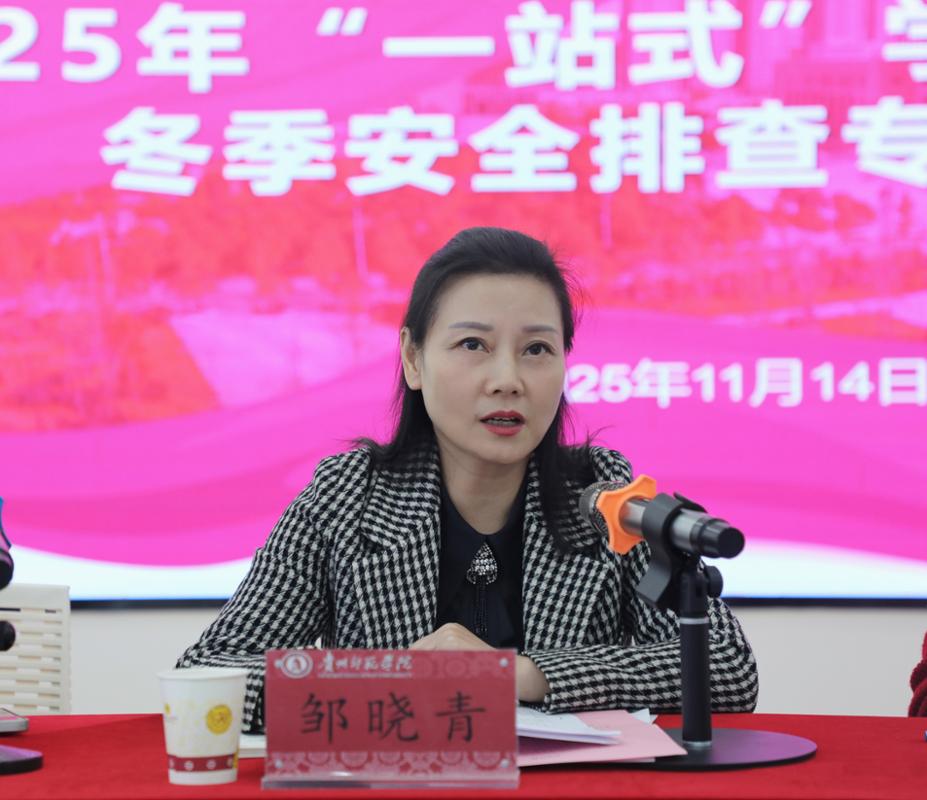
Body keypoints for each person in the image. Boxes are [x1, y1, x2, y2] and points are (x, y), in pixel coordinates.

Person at [177, 227, 758, 731]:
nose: (507, 379)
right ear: (413, 359)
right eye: (473, 344)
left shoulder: (605, 495)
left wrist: (519, 675)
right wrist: (390, 681)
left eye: (536, 349)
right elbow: (208, 675)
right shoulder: (348, 496)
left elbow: (726, 668)